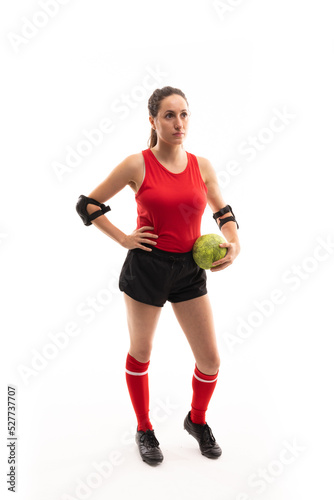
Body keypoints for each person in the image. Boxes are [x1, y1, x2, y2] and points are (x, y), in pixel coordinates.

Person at [76, 86, 240, 466]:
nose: (178, 123)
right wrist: (124, 239)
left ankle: (196, 421)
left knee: (211, 360)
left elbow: (223, 211)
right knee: (142, 351)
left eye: (183, 114)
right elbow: (88, 206)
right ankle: (145, 428)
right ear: (152, 121)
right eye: (169, 115)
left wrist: (234, 243)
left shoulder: (203, 166)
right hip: (146, 268)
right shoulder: (137, 164)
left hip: (189, 270)